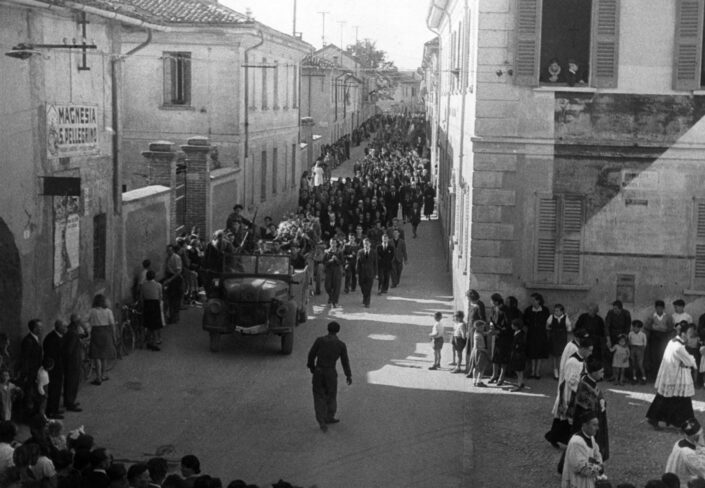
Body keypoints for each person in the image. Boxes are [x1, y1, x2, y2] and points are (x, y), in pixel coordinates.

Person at [647, 323, 697, 430]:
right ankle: (685, 424)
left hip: (670, 375)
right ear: (683, 334)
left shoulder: (672, 341)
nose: (691, 336)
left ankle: (655, 418)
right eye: (689, 333)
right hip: (677, 378)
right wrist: (690, 361)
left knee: (665, 398)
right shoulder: (679, 347)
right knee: (682, 400)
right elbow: (690, 362)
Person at [546, 337, 593, 448]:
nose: (591, 353)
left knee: (565, 420)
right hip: (570, 394)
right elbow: (571, 380)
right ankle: (560, 438)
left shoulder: (581, 360)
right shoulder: (573, 361)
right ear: (583, 349)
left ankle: (556, 437)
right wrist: (582, 390)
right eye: (590, 350)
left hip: (576, 393)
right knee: (567, 419)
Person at [306, 321, 352, 432]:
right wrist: (348, 375)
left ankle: (321, 420)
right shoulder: (341, 345)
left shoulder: (320, 341)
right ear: (338, 331)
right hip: (331, 372)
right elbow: (345, 361)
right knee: (331, 394)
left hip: (319, 370)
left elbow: (311, 355)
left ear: (328, 329)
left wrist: (312, 367)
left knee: (318, 395)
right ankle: (329, 416)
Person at [569, 357, 609, 461]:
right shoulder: (584, 384)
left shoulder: (591, 381)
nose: (603, 374)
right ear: (594, 373)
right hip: (585, 421)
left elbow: (598, 395)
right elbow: (585, 404)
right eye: (601, 372)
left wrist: (602, 400)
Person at [561, 412, 605, 488]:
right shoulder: (577, 442)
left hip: (587, 480)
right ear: (584, 425)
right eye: (594, 425)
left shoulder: (591, 437)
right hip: (577, 483)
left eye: (597, 425)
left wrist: (599, 464)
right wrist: (599, 468)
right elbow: (581, 467)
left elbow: (597, 454)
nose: (597, 428)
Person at [86, 294, 116, 386]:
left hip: (96, 333)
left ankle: (98, 378)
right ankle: (103, 375)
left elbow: (85, 320)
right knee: (104, 355)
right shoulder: (108, 311)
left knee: (97, 356)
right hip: (106, 333)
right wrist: (114, 336)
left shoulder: (92, 311)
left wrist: (88, 328)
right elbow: (112, 324)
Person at [665, 417, 705, 486]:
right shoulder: (689, 453)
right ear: (695, 437)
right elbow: (701, 470)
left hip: (673, 478)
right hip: (684, 483)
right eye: (701, 434)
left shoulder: (678, 442)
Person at [19, 319, 43, 418]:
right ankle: (28, 416)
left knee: (35, 393)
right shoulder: (28, 341)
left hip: (35, 370)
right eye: (39, 327)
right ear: (34, 328)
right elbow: (26, 358)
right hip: (30, 372)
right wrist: (26, 373)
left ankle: (35, 414)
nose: (41, 329)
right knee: (29, 394)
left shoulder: (36, 338)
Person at [43, 320, 67, 419]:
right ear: (58, 327)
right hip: (54, 369)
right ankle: (51, 412)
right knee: (54, 389)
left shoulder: (57, 336)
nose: (65, 328)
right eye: (63, 327)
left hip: (58, 368)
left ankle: (55, 408)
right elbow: (53, 354)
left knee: (57, 389)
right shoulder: (52, 338)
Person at [524, 293, 550, 379]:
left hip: (541, 334)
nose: (531, 301)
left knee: (539, 353)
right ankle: (532, 371)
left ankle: (537, 372)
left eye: (533, 300)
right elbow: (525, 320)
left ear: (538, 301)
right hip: (531, 333)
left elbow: (548, 321)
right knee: (532, 353)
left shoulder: (545, 310)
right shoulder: (528, 310)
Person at [61, 315, 83, 413]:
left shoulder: (69, 330)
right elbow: (70, 349)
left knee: (69, 382)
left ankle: (68, 401)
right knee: (72, 383)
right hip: (73, 363)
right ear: (76, 321)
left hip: (70, 363)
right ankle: (70, 403)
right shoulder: (73, 333)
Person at [605, 300, 632, 380]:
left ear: (620, 309)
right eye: (614, 308)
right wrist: (608, 339)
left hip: (622, 337)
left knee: (623, 355)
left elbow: (628, 326)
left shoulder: (626, 313)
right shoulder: (610, 313)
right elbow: (607, 326)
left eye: (616, 309)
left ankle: (622, 376)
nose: (614, 310)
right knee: (611, 355)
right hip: (612, 336)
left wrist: (624, 337)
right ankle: (613, 375)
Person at [488, 294, 511, 386]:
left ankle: (501, 376)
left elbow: (508, 324)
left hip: (504, 336)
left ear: (496, 301)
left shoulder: (505, 310)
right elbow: (491, 319)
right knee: (495, 356)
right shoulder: (494, 308)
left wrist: (499, 331)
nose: (491, 302)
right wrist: (491, 325)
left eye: (492, 301)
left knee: (503, 357)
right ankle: (494, 375)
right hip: (496, 335)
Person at [647, 300, 674, 379]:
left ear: (663, 308)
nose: (659, 310)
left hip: (664, 338)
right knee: (654, 356)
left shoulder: (668, 317)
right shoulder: (652, 316)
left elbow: (670, 328)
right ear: (655, 308)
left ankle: (662, 375)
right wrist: (654, 327)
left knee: (662, 355)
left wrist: (661, 328)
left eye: (661, 308)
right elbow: (647, 326)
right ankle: (654, 375)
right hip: (654, 337)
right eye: (658, 308)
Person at [140, 270, 164, 351]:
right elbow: (160, 297)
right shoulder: (158, 285)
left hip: (147, 304)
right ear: (154, 276)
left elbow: (141, 297)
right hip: (155, 304)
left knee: (147, 324)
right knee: (155, 325)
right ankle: (154, 342)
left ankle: (147, 341)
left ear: (147, 276)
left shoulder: (143, 285)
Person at [547, 304, 572, 380]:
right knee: (555, 355)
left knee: (562, 355)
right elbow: (547, 326)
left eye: (557, 311)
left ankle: (562, 371)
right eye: (555, 310)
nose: (556, 312)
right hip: (554, 338)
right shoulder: (551, 317)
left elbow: (569, 328)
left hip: (562, 338)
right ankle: (556, 372)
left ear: (562, 311)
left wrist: (563, 330)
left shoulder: (565, 318)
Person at [163, 245, 183, 324]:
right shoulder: (168, 258)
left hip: (175, 279)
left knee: (175, 299)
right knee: (170, 298)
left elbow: (178, 271)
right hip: (170, 278)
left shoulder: (176, 257)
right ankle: (172, 316)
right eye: (167, 250)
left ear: (173, 250)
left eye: (169, 250)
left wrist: (170, 280)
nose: (168, 252)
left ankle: (174, 317)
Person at [468, 320, 491, 387]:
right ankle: (479, 381)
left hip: (475, 352)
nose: (483, 329)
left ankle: (474, 381)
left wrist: (489, 332)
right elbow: (477, 346)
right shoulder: (477, 336)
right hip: (480, 352)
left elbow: (484, 333)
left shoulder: (477, 332)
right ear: (478, 327)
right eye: (482, 327)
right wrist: (485, 351)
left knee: (476, 367)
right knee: (481, 368)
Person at [356, 238, 377, 308]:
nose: (366, 245)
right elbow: (358, 263)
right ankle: (365, 297)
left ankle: (367, 302)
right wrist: (357, 272)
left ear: (370, 244)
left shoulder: (373, 252)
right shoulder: (360, 252)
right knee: (362, 286)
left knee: (368, 288)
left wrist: (376, 273)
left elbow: (375, 263)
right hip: (362, 273)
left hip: (370, 273)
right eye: (365, 243)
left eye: (367, 243)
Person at [322, 238, 343, 308]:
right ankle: (331, 297)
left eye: (334, 243)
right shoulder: (327, 252)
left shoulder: (339, 252)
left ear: (336, 244)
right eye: (331, 243)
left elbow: (342, 262)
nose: (333, 244)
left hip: (337, 271)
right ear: (330, 243)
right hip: (329, 271)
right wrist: (330, 261)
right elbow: (323, 262)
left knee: (336, 287)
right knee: (327, 286)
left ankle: (335, 301)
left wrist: (336, 259)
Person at [509, 318, 527, 391]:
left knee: (519, 370)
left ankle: (519, 385)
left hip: (519, 354)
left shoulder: (520, 334)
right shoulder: (517, 332)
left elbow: (519, 345)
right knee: (518, 370)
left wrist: (515, 347)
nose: (511, 326)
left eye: (512, 325)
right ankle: (520, 382)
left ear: (516, 326)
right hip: (516, 354)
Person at [629, 320, 648, 384]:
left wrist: (642, 350)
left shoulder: (643, 334)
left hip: (640, 349)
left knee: (640, 364)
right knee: (633, 364)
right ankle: (634, 378)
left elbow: (645, 344)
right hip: (632, 348)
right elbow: (629, 341)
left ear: (640, 328)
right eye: (634, 327)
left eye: (637, 327)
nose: (635, 328)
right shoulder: (630, 333)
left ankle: (644, 377)